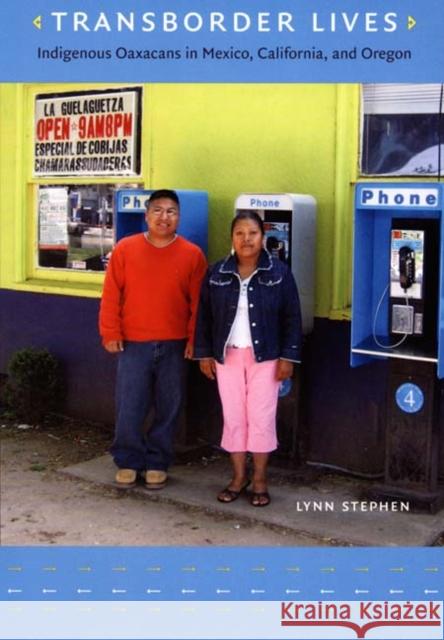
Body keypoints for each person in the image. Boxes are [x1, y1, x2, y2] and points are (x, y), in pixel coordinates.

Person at [99, 189, 207, 489]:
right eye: (157, 210)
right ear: (146, 215)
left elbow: (198, 303)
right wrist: (110, 331)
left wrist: (193, 340)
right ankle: (128, 460)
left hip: (174, 345)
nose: (164, 217)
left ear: (179, 217)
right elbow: (111, 295)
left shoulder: (192, 254)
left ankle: (158, 461)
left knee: (169, 405)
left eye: (171, 211)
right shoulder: (125, 249)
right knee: (129, 404)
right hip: (133, 343)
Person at [194, 211, 302, 507]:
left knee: (261, 418)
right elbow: (204, 316)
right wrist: (204, 353)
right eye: (240, 233)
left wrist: (288, 357)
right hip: (227, 357)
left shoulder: (279, 272)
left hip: (266, 358)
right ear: (232, 238)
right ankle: (239, 477)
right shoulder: (217, 273)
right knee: (234, 418)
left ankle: (260, 480)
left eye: (252, 233)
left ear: (263, 237)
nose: (246, 239)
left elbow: (292, 317)